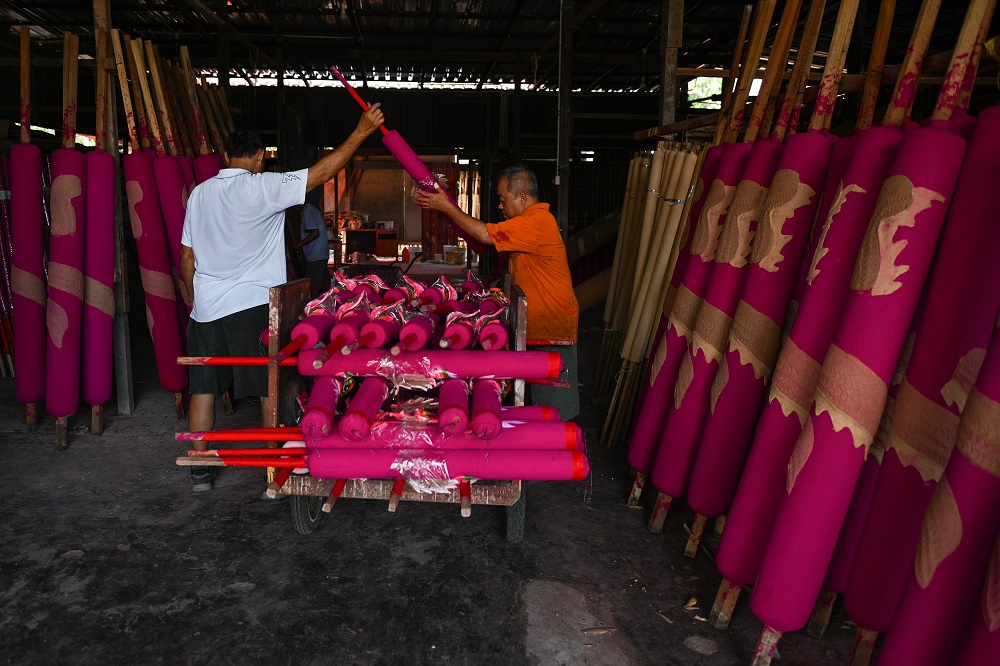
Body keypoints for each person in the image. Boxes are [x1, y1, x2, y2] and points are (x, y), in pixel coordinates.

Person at [180, 104, 384, 491]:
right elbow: (322, 172)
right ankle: (273, 465)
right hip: (253, 306)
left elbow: (186, 256)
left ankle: (198, 469)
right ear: (259, 158)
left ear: (226, 157)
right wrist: (360, 132)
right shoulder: (263, 185)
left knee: (203, 386)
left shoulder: (200, 195)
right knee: (266, 387)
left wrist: (195, 300)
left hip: (205, 308)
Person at [414, 165, 580, 419]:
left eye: (503, 200)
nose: (500, 207)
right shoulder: (524, 225)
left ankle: (559, 450)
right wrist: (445, 201)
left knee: (553, 412)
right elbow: (480, 242)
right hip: (537, 325)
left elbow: (482, 233)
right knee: (536, 405)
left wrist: (445, 206)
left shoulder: (537, 222)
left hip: (551, 329)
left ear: (521, 198)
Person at [289, 202, 331, 296]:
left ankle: (314, 309)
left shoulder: (307, 211)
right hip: (319, 254)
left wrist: (298, 245)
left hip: (316, 254)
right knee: (322, 284)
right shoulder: (311, 209)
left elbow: (315, 233)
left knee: (313, 287)